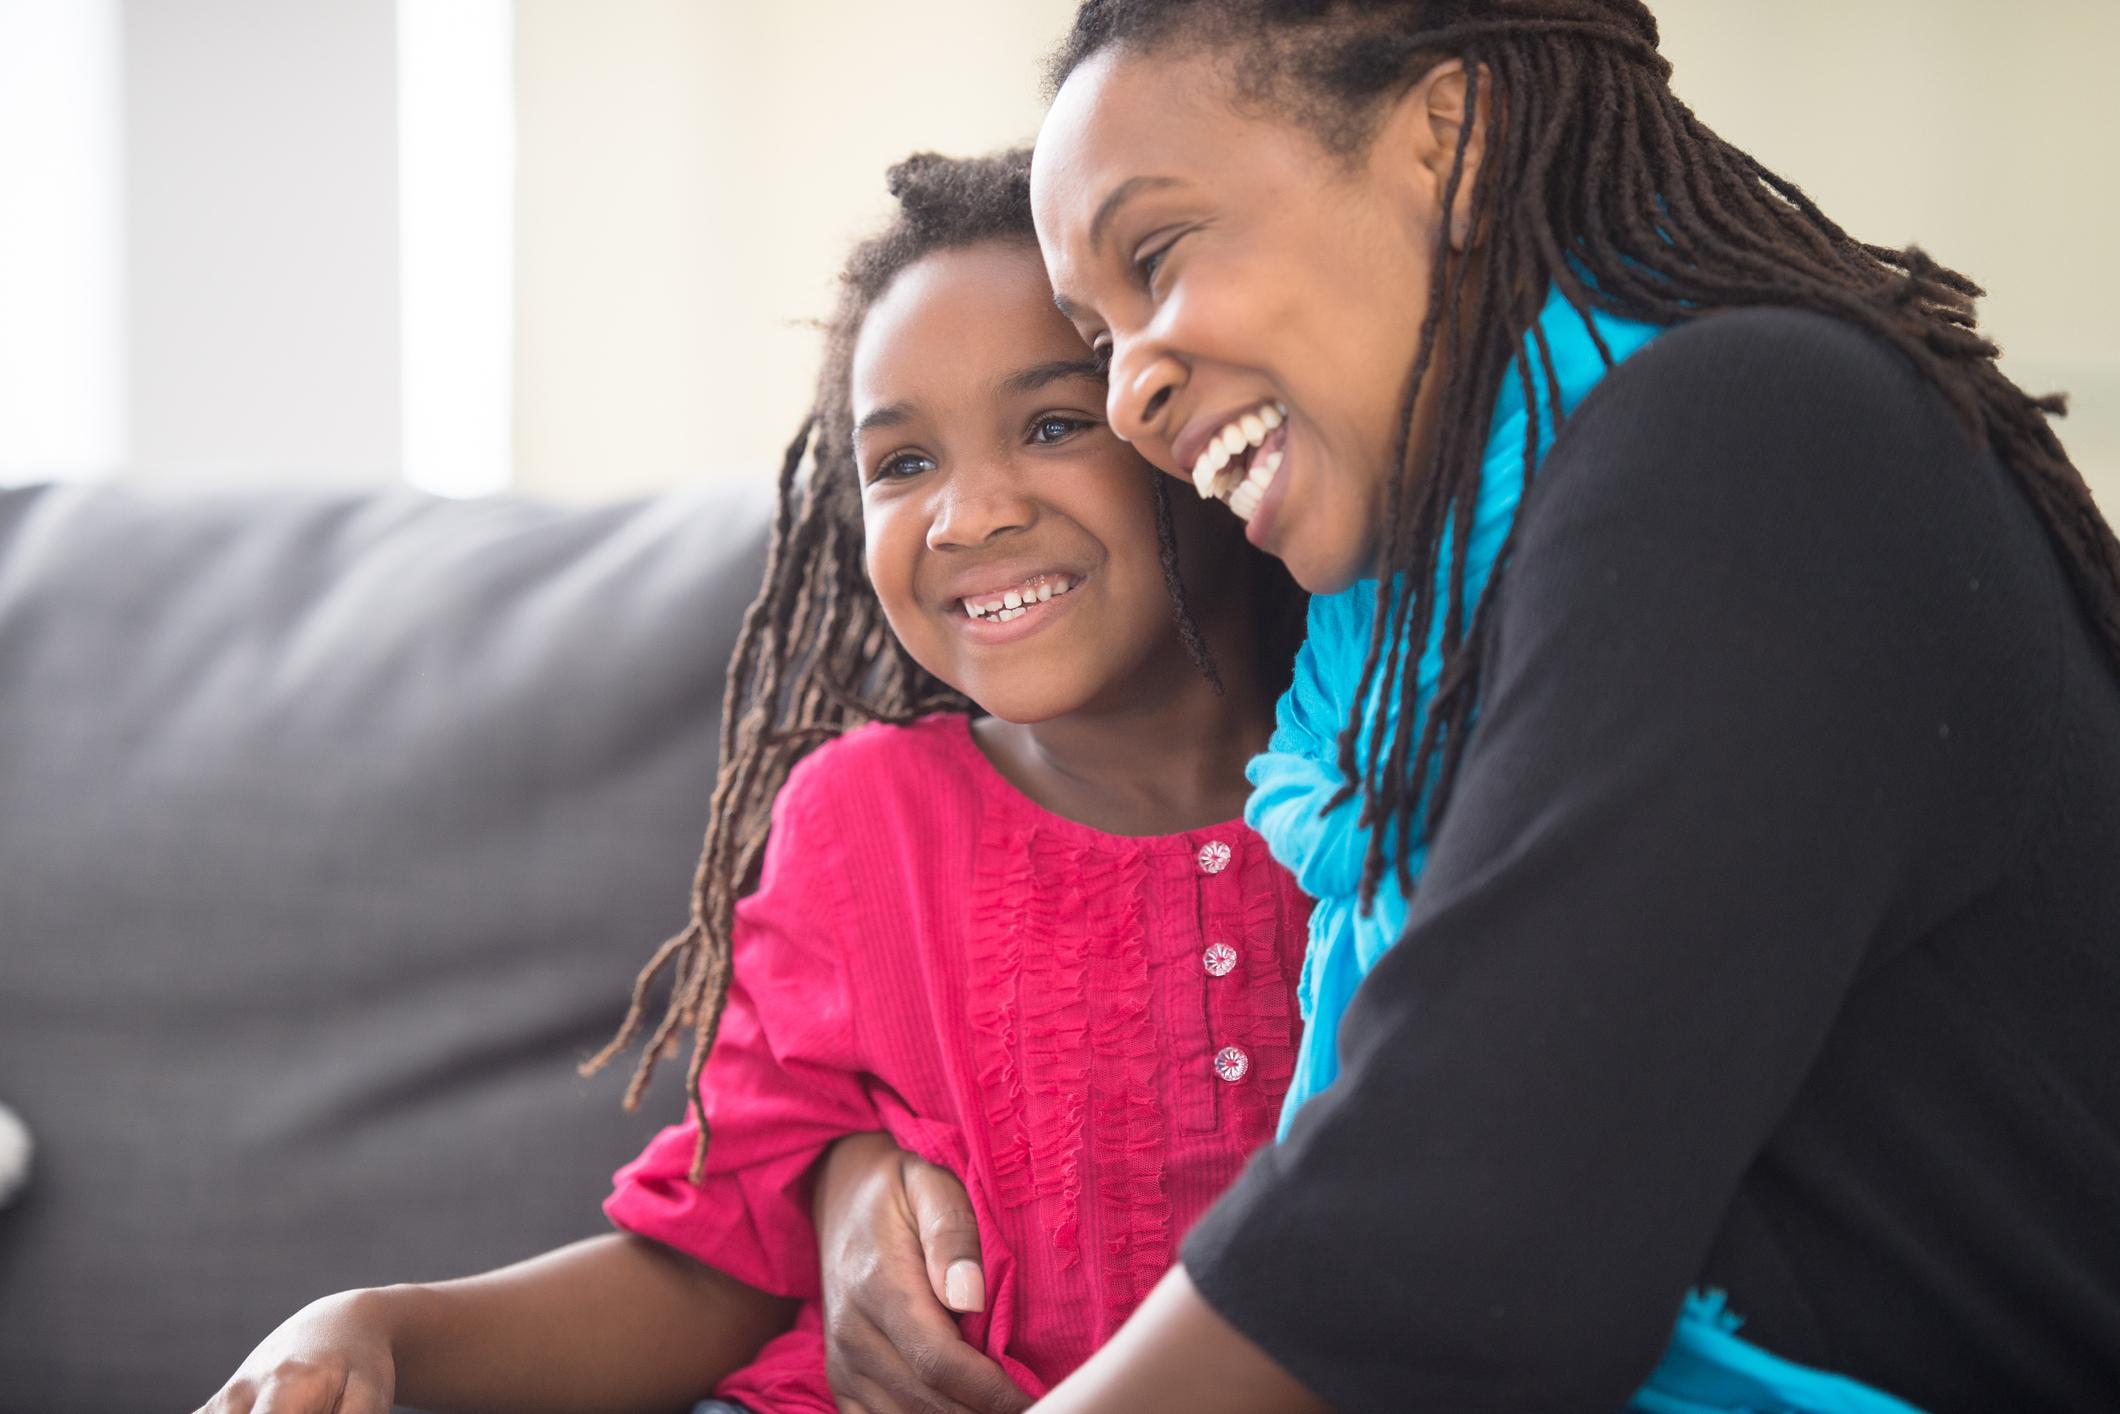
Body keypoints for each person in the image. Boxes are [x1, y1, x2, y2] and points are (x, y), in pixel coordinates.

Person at [813, 3, 2120, 1411]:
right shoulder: (1387, 632)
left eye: (1158, 258)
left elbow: (1446, 1234)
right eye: (1097, 333)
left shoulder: (1756, 443)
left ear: (1455, 137)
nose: (1133, 391)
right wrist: (845, 1180)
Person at [192, 148, 1312, 1414]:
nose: (967, 514)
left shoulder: (1400, 784)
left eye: (1051, 425)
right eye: (901, 463)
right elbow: (712, 1270)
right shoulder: (860, 822)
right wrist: (377, 1325)